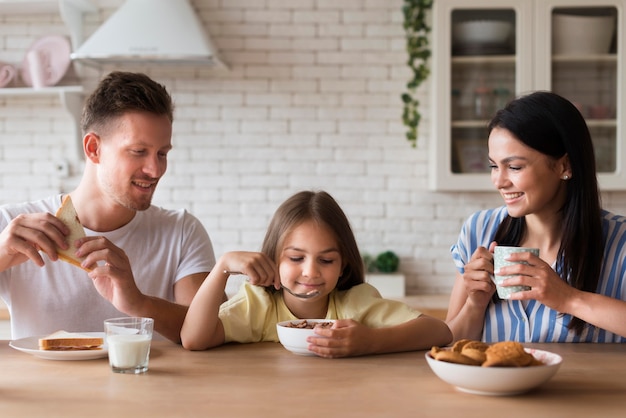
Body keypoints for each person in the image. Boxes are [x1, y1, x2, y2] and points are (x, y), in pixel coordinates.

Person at [0, 71, 216, 342]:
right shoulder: (11, 225)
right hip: (44, 386)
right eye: (138, 152)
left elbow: (208, 333)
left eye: (162, 153)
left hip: (147, 384)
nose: (155, 169)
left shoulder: (182, 231)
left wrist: (137, 303)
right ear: (93, 149)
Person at [446, 91, 626, 343]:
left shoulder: (621, 243)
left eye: (515, 167)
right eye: (494, 166)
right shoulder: (479, 230)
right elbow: (450, 344)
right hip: (498, 384)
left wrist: (569, 299)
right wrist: (476, 303)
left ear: (564, 166)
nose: (499, 181)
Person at [181, 190, 452, 357]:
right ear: (274, 259)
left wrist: (370, 341)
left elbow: (438, 331)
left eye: (326, 259)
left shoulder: (354, 303)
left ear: (343, 265)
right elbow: (194, 339)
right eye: (296, 258)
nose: (310, 271)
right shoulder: (258, 305)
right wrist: (222, 268)